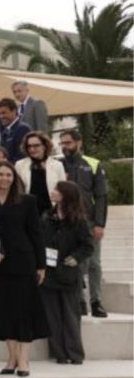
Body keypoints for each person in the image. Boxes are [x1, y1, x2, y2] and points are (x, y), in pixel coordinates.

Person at [0, 160, 49, 376]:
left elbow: (36, 234)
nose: (4, 179)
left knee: (23, 311)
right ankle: (11, 358)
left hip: (23, 263)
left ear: (14, 178)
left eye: (8, 175)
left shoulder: (27, 201)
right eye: (0, 175)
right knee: (5, 312)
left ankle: (24, 360)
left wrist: (41, 265)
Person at [40, 182, 93, 365]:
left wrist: (74, 258)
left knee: (71, 315)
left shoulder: (78, 220)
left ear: (66, 195)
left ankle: (75, 354)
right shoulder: (47, 216)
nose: (53, 192)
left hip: (69, 273)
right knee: (51, 315)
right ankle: (59, 354)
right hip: (48, 273)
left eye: (57, 190)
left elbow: (88, 246)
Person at [59, 130, 109, 318]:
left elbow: (102, 197)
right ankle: (79, 301)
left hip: (89, 223)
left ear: (78, 143)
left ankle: (96, 302)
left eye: (68, 143)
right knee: (74, 262)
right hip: (68, 223)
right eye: (62, 143)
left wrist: (100, 224)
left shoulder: (94, 164)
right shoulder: (59, 165)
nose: (65, 147)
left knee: (94, 263)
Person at [14, 131, 66, 216]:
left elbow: (63, 192)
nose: (32, 149)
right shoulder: (20, 165)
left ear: (45, 146)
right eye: (29, 146)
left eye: (36, 145)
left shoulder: (57, 165)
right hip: (28, 212)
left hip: (51, 212)